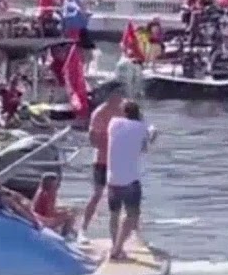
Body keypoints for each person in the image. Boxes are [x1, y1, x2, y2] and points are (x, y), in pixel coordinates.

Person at [105, 100, 156, 261]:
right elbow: (150, 139)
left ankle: (116, 246)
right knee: (132, 214)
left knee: (114, 214)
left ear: (124, 112)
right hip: (130, 181)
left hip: (112, 179)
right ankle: (118, 248)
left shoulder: (113, 124)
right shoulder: (142, 127)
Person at [81, 81, 125, 234]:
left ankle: (125, 233)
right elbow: (93, 141)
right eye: (119, 93)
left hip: (120, 162)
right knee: (97, 194)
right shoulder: (99, 113)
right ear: (111, 95)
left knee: (122, 199)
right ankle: (83, 229)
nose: (122, 96)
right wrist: (111, 142)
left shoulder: (125, 111)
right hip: (102, 161)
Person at [31, 173, 78, 238]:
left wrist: (63, 210)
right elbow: (49, 214)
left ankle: (70, 232)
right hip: (43, 220)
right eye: (55, 182)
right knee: (70, 216)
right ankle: (64, 236)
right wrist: (63, 213)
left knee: (68, 212)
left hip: (40, 217)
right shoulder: (47, 194)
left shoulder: (42, 191)